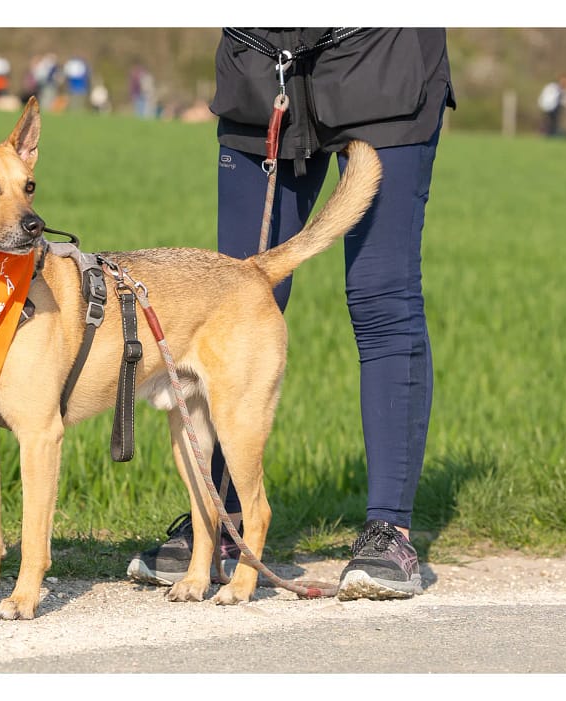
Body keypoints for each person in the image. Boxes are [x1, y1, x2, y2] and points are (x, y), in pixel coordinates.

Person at [127, 28, 455, 601]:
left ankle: (389, 530)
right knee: (227, 300)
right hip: (262, 62)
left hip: (382, 55)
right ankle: (224, 524)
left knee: (381, 297)